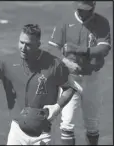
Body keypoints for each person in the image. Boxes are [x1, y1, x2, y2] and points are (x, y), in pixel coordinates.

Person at [0, 24, 81, 145]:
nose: (23, 47)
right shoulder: (8, 62)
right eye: (21, 42)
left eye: (28, 44)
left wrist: (57, 107)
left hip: (43, 133)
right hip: (17, 131)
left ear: (38, 44)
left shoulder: (54, 64)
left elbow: (70, 88)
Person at [48, 1, 111, 145]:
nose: (83, 13)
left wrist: (77, 50)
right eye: (80, 10)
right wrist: (66, 62)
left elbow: (104, 48)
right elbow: (52, 49)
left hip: (92, 79)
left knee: (92, 124)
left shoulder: (101, 22)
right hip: (70, 79)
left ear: (93, 7)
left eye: (87, 10)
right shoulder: (65, 22)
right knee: (67, 123)